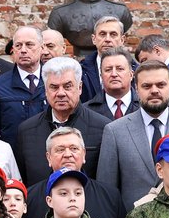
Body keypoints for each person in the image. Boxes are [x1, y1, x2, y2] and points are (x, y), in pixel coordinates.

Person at [12, 57, 108, 189]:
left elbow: (106, 184)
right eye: (54, 87)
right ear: (45, 90)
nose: (61, 93)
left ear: (79, 88)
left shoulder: (103, 128)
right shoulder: (27, 130)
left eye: (67, 86)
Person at [0, 26, 46, 136]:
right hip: (12, 152)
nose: (23, 50)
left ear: (42, 48)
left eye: (29, 45)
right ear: (13, 49)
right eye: (18, 45)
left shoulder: (54, 82)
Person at [84, 49, 138, 123]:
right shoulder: (86, 111)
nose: (114, 74)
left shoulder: (145, 107)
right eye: (108, 70)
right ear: (101, 76)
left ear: (131, 75)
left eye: (120, 69)